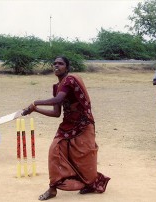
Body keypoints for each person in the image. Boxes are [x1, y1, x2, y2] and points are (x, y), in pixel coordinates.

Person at [22, 56, 110, 200]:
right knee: (54, 151)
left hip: (83, 124)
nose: (57, 66)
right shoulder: (56, 87)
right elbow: (56, 113)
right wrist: (35, 110)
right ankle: (52, 188)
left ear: (67, 68)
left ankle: (89, 184)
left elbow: (58, 100)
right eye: (55, 63)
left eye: (60, 64)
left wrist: (35, 103)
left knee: (84, 157)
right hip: (67, 124)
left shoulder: (70, 80)